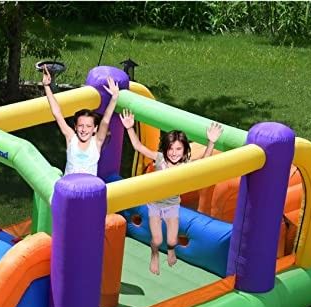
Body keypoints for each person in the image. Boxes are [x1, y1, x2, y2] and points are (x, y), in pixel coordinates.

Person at [119, 108, 224, 274]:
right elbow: (138, 146)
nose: (174, 153)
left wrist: (211, 142)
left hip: (173, 206)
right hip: (154, 205)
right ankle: (154, 256)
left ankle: (171, 251)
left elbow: (204, 162)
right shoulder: (160, 159)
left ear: (185, 151)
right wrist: (130, 127)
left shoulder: (184, 166)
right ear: (165, 149)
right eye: (170, 149)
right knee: (156, 238)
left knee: (172, 238)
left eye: (178, 149)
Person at [42, 64, 120, 176]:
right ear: (75, 127)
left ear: (95, 129)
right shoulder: (71, 138)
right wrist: (46, 86)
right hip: (70, 185)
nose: (84, 130)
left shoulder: (97, 141)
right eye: (81, 126)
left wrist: (114, 98)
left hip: (89, 186)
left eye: (88, 126)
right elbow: (57, 114)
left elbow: (106, 120)